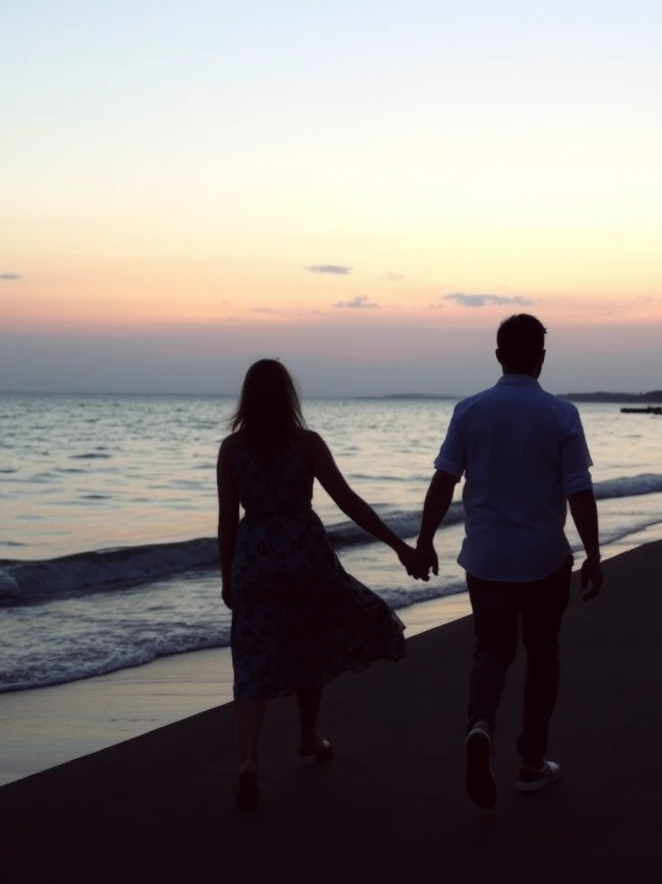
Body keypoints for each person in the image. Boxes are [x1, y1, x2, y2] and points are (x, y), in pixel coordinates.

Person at [217, 358, 428, 805]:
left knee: (252, 658)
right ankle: (308, 736)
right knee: (308, 644)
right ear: (289, 397)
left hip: (253, 558)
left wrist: (226, 575)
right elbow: (349, 501)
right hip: (303, 554)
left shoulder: (231, 451)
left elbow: (226, 523)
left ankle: (250, 758)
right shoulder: (307, 444)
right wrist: (400, 547)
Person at [416, 314, 603, 808]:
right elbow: (578, 491)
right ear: (541, 357)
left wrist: (425, 540)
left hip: (487, 558)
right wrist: (595, 555)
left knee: (491, 651)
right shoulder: (561, 415)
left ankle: (480, 725)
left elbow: (443, 481)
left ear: (498, 354)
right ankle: (530, 762)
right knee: (542, 654)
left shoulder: (470, 411)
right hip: (544, 557)